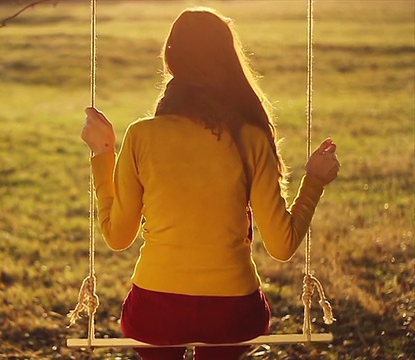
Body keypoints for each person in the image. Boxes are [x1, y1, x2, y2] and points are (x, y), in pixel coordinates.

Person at [80, 6, 340, 360]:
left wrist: (103, 153)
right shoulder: (250, 137)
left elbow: (117, 237)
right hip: (231, 313)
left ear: (171, 62)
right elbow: (282, 245)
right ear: (227, 60)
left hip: (156, 310)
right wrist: (314, 182)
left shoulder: (141, 136)